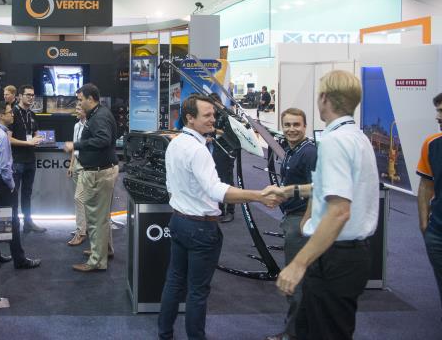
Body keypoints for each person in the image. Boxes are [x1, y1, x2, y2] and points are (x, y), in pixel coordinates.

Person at [157, 95, 282, 340]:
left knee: (174, 281)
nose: (213, 119)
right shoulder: (197, 150)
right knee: (197, 291)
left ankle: (164, 334)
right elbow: (216, 191)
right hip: (200, 229)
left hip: (179, 222)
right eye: (207, 115)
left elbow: (173, 185)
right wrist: (258, 196)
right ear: (190, 118)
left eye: (213, 114)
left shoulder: (175, 143)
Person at [275, 70, 379, 340]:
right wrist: (291, 190)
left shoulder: (334, 141)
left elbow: (339, 211)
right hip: (348, 256)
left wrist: (298, 264)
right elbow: (336, 189)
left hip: (335, 257)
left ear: (323, 98)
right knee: (313, 328)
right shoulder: (357, 137)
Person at [265, 108, 317, 340]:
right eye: (287, 125)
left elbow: (317, 189)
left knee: (295, 281)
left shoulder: (309, 153)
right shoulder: (291, 150)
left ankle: (293, 334)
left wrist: (306, 221)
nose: (291, 129)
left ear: (305, 126)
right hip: (292, 217)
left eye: (296, 125)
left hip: (300, 222)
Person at [63, 83, 118, 272]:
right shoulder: (98, 114)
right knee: (101, 217)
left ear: (90, 99)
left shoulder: (99, 117)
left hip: (99, 173)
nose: (78, 104)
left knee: (95, 219)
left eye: (80, 100)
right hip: (101, 170)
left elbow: (103, 139)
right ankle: (104, 250)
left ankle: (97, 261)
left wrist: (76, 145)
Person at [0, 101, 42, 270]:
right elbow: (4, 167)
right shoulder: (2, 137)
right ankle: (20, 260)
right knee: (13, 220)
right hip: (2, 182)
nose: (12, 114)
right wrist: (11, 185)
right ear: (1, 116)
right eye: (9, 112)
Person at [417, 92, 442, 312]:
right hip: (437, 233)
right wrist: (425, 224)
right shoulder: (431, 144)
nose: (438, 117)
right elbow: (425, 186)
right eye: (438, 111)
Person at [8, 84, 46, 233]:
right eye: (28, 95)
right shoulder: (12, 114)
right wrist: (27, 143)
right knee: (14, 194)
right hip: (16, 160)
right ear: (20, 96)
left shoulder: (32, 114)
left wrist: (38, 138)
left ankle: (28, 222)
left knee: (27, 193)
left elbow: (36, 133)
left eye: (32, 95)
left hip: (30, 159)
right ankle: (14, 225)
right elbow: (8, 139)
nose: (31, 97)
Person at [207, 93, 236, 224]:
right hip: (218, 148)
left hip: (227, 150)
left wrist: (214, 131)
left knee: (227, 180)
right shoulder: (215, 115)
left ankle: (230, 211)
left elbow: (229, 133)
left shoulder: (227, 115)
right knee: (217, 178)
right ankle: (220, 209)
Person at [66, 101, 87, 246]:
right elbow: (74, 146)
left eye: (79, 109)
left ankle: (81, 232)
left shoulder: (90, 126)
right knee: (82, 199)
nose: (76, 111)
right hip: (77, 164)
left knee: (79, 198)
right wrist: (71, 164)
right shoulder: (76, 125)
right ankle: (83, 227)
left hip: (86, 164)